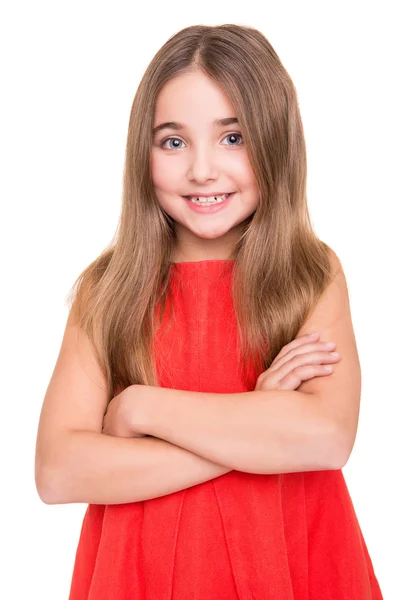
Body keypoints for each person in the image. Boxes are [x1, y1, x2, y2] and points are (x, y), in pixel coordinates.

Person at [34, 23, 383, 599]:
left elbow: (325, 437)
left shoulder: (309, 273)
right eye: (173, 142)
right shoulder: (111, 289)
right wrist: (261, 422)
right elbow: (58, 470)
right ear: (141, 152)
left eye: (232, 138)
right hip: (140, 576)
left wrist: (143, 409)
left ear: (275, 142)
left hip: (294, 565)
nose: (202, 170)